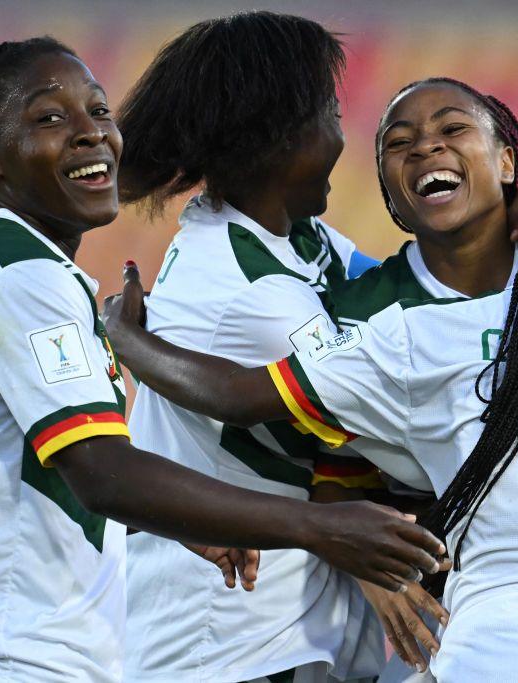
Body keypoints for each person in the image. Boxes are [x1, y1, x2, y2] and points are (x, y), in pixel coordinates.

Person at [105, 112, 518, 681]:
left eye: (453, 128)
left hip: (487, 659)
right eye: (401, 136)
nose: (426, 149)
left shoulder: (430, 338)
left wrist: (125, 337)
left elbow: (236, 394)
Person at [0, 37, 441, 683]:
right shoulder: (21, 276)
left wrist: (183, 521)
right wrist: (320, 528)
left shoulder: (24, 266)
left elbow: (59, 473)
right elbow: (102, 471)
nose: (90, 134)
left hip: (27, 657)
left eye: (98, 111)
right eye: (50, 118)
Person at [115, 12, 387, 682]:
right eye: (328, 111)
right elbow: (390, 418)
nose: (341, 134)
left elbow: (405, 301)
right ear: (276, 139)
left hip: (288, 629)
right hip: (227, 640)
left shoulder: (291, 241)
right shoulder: (246, 291)